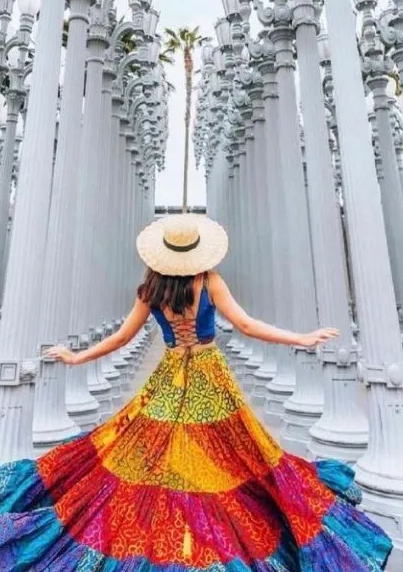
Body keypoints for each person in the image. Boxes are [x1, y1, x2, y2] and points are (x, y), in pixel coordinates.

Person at [0, 214, 392, 570]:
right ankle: (198, 530)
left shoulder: (149, 291)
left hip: (169, 378)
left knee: (149, 455)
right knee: (237, 454)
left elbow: (121, 338)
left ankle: (177, 528)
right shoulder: (209, 281)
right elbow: (248, 326)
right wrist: (300, 338)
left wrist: (76, 357)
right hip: (210, 378)